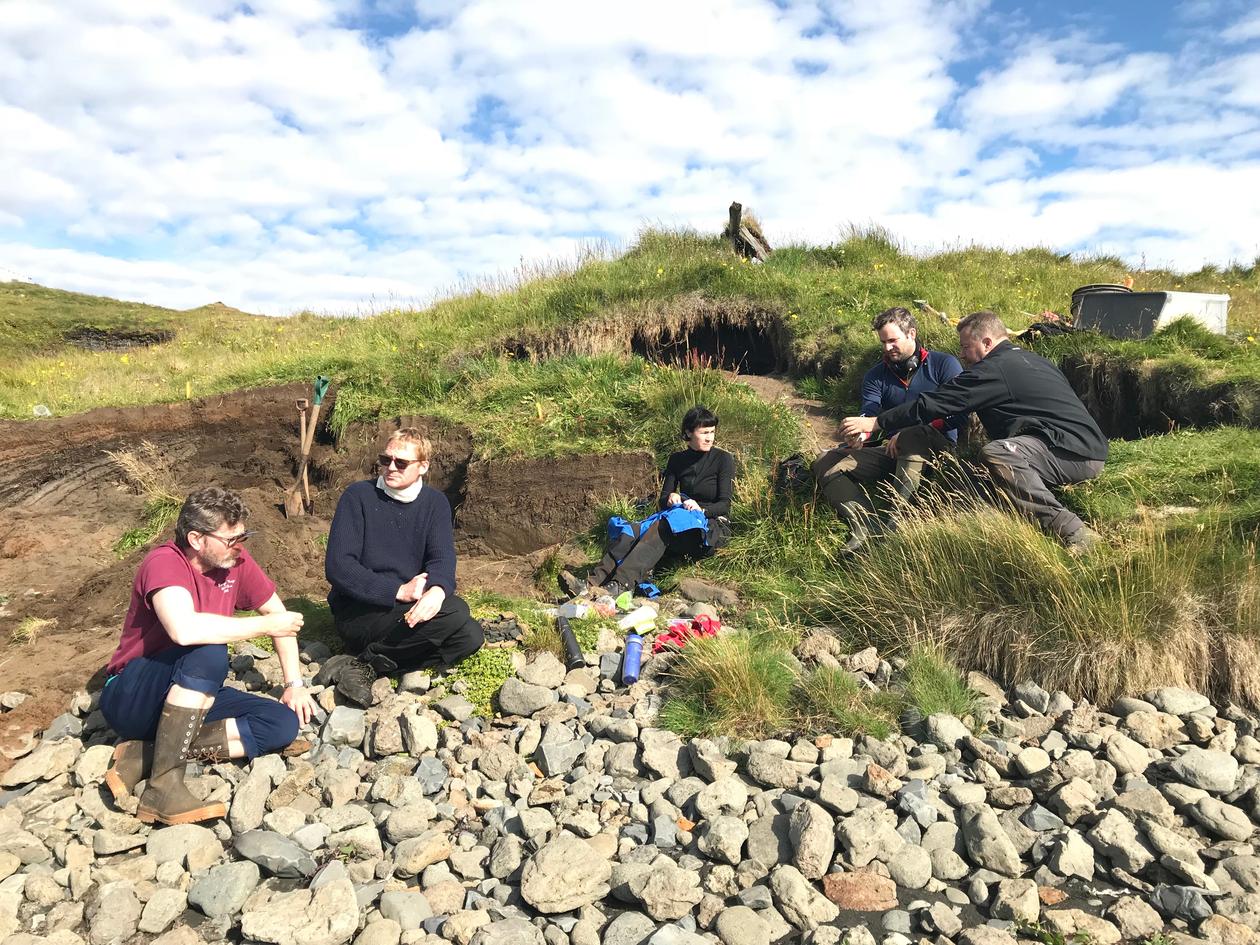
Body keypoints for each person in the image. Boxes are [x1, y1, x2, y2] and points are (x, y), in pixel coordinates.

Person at [100, 487, 314, 826]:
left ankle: (148, 753)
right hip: (132, 692)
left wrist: (295, 684)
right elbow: (183, 630)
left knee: (281, 725)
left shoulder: (236, 563)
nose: (240, 545)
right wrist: (264, 625)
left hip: (188, 692)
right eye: (231, 539)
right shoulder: (164, 563)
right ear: (197, 539)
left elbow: (280, 618)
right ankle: (163, 787)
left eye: (243, 536)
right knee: (210, 651)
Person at [841, 310, 1107, 550]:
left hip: (1071, 452)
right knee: (968, 478)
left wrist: (878, 423)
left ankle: (1074, 531)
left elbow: (938, 402)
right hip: (1076, 447)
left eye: (966, 347)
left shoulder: (993, 370)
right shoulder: (1034, 361)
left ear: (987, 343)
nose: (961, 354)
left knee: (999, 453)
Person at [323, 428, 483, 707]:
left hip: (404, 610)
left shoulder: (435, 504)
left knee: (470, 636)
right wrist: (398, 590)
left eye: (401, 463)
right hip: (359, 610)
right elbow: (339, 567)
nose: (390, 468)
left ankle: (368, 663)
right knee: (457, 611)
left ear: (423, 466)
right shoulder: (358, 496)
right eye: (386, 460)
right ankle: (370, 662)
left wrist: (437, 590)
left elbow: (442, 558)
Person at [814, 306, 967, 551]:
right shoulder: (875, 375)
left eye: (893, 340)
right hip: (892, 451)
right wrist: (861, 434)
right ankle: (866, 524)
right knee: (825, 461)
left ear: (912, 334)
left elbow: (959, 415)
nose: (887, 348)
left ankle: (895, 525)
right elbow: (869, 413)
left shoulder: (944, 364)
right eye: (883, 342)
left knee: (912, 435)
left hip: (939, 450)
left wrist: (907, 431)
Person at [586, 405, 735, 595]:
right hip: (678, 523)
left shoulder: (723, 459)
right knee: (632, 531)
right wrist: (672, 498)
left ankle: (619, 584)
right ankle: (591, 584)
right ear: (688, 432)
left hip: (710, 529)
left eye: (712, 432)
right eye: (704, 432)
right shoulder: (677, 459)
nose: (710, 437)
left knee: (662, 526)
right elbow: (663, 500)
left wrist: (701, 509)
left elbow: (725, 505)